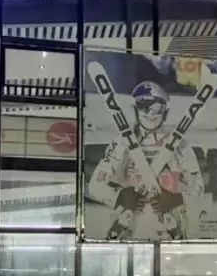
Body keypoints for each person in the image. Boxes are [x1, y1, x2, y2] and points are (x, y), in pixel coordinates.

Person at [87, 80, 203, 240]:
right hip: (127, 231)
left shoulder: (180, 144)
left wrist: (177, 198)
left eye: (158, 107)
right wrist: (119, 196)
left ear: (166, 111)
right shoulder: (121, 143)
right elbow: (95, 186)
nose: (151, 113)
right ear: (135, 109)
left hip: (170, 231)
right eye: (144, 106)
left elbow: (198, 189)